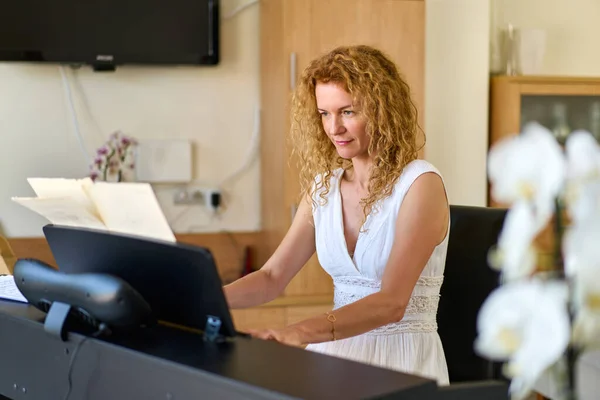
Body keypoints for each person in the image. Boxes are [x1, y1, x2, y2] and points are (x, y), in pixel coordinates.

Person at [224, 45, 450, 385]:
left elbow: (391, 303)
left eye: (347, 112)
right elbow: (272, 277)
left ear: (383, 110)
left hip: (403, 361)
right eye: (324, 114)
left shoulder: (420, 184)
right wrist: (206, 298)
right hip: (335, 357)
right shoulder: (323, 189)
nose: (334, 129)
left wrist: (298, 332)